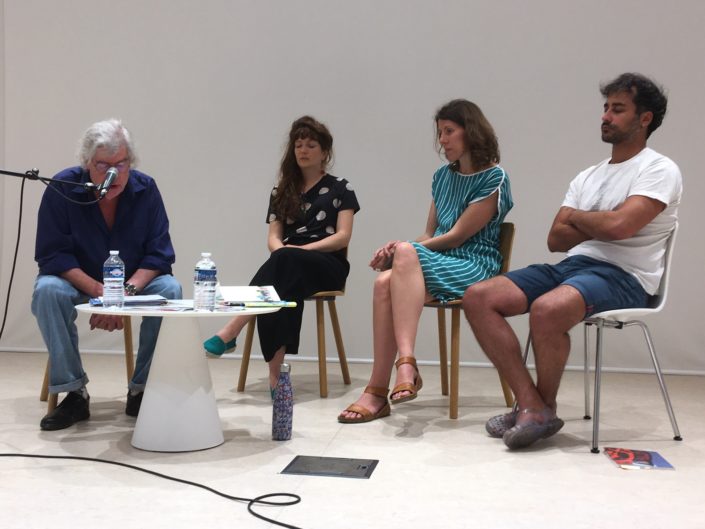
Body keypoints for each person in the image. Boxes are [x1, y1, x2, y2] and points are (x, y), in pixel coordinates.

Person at [463, 73, 682, 450]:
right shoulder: (588, 175)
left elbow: (621, 227)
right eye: (606, 108)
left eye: (618, 109)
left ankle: (539, 410)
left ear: (644, 118)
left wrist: (579, 218)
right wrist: (602, 219)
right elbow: (555, 239)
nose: (606, 116)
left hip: (626, 276)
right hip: (572, 268)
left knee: (548, 309)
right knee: (479, 297)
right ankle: (532, 405)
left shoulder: (659, 169)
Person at [338, 99, 513, 423]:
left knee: (403, 256)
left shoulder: (494, 177)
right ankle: (378, 390)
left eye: (449, 131)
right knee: (384, 281)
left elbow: (457, 236)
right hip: (440, 261)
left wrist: (404, 250)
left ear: (471, 131)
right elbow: (429, 234)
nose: (442, 140)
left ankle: (404, 365)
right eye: (440, 133)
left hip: (474, 265)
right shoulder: (442, 177)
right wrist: (398, 249)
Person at [32, 119, 182, 431]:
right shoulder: (63, 187)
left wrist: (122, 294)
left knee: (171, 288)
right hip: (79, 281)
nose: (113, 173)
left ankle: (142, 390)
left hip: (131, 284)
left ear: (131, 162)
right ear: (87, 162)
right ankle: (74, 393)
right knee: (47, 290)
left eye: (121, 164)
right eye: (103, 165)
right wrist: (102, 294)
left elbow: (159, 254)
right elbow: (53, 255)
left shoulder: (146, 189)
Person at [203, 116, 360, 394]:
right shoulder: (281, 191)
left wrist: (299, 251)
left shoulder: (341, 188)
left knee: (284, 265)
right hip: (289, 264)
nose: (303, 150)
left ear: (324, 152)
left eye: (310, 145)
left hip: (327, 264)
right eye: (298, 145)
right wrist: (286, 252)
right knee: (280, 284)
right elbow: (273, 239)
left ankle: (234, 329)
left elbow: (342, 237)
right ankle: (277, 378)